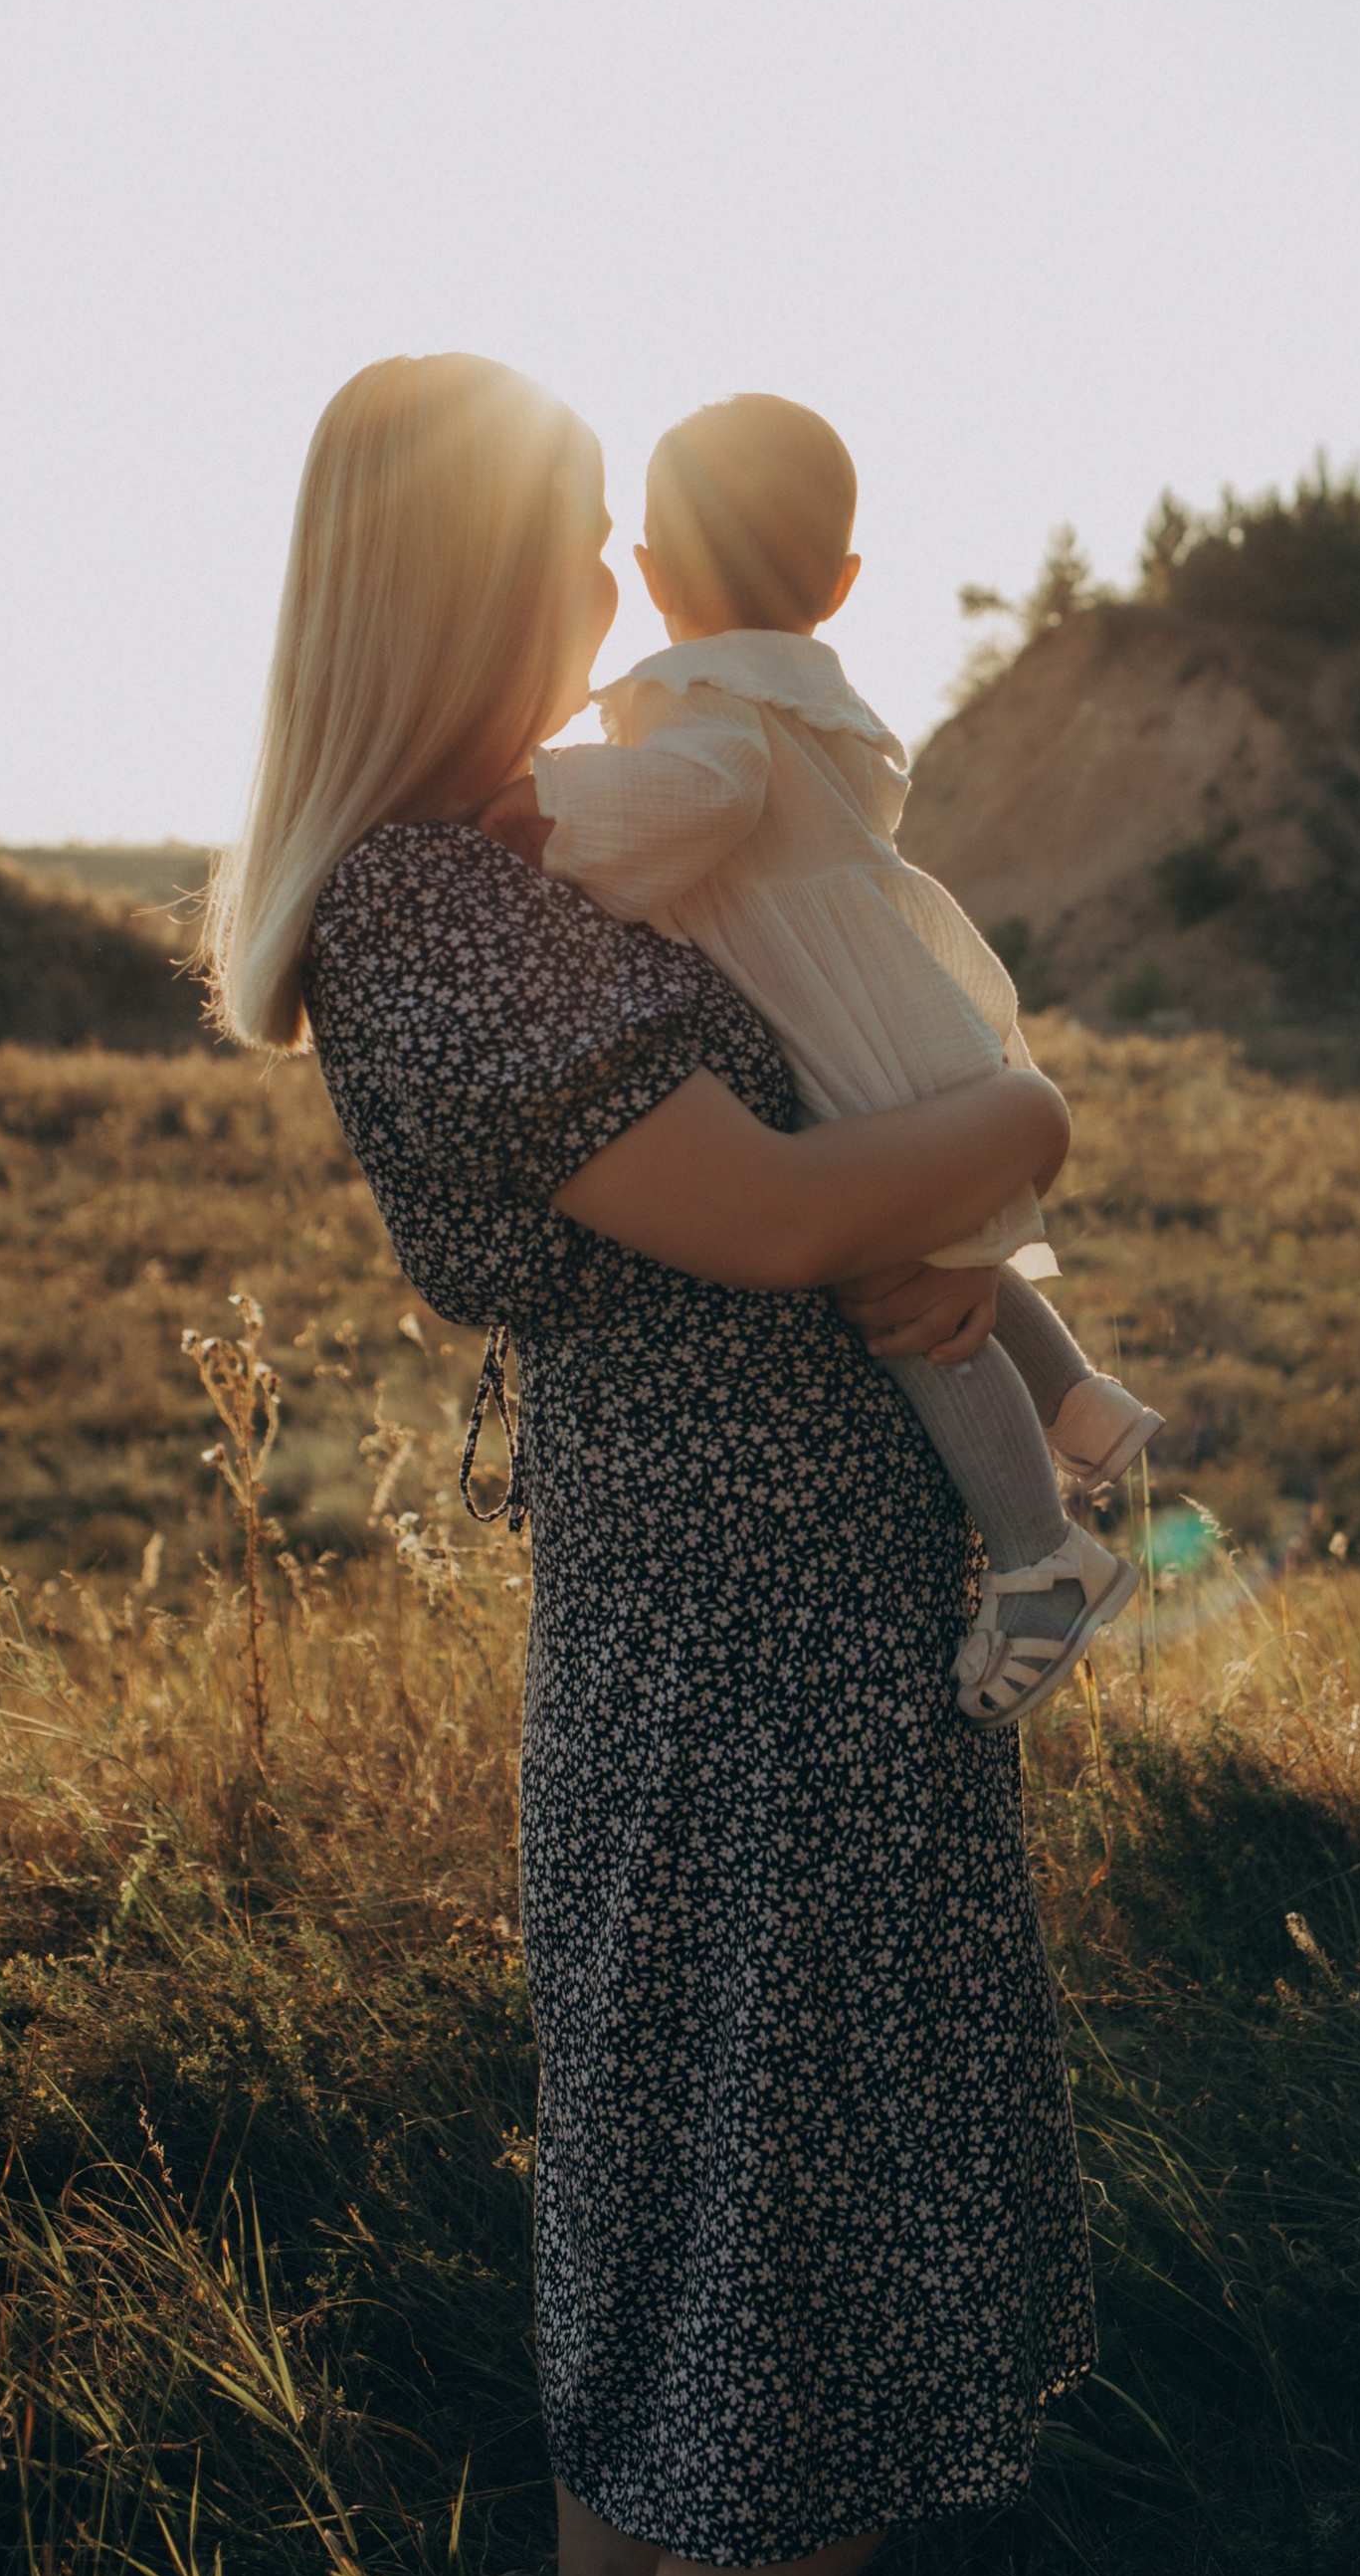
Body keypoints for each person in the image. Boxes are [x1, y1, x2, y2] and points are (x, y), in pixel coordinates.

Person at [204, 353, 1096, 2576]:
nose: (612, 582)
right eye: (573, 533)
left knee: (697, 2219)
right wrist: (1023, 1125)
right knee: (816, 2238)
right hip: (750, 1657)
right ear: (461, 581)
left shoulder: (502, 870)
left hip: (726, 1622)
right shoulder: (430, 908)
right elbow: (783, 1219)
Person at [480, 390, 1162, 1729]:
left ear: (654, 573)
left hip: (830, 1021)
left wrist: (547, 804)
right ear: (843, 585)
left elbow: (708, 795)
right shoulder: (812, 688)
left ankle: (1039, 1556)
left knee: (902, 1273)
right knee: (959, 1234)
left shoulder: (698, 694)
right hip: (893, 997)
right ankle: (1077, 1398)